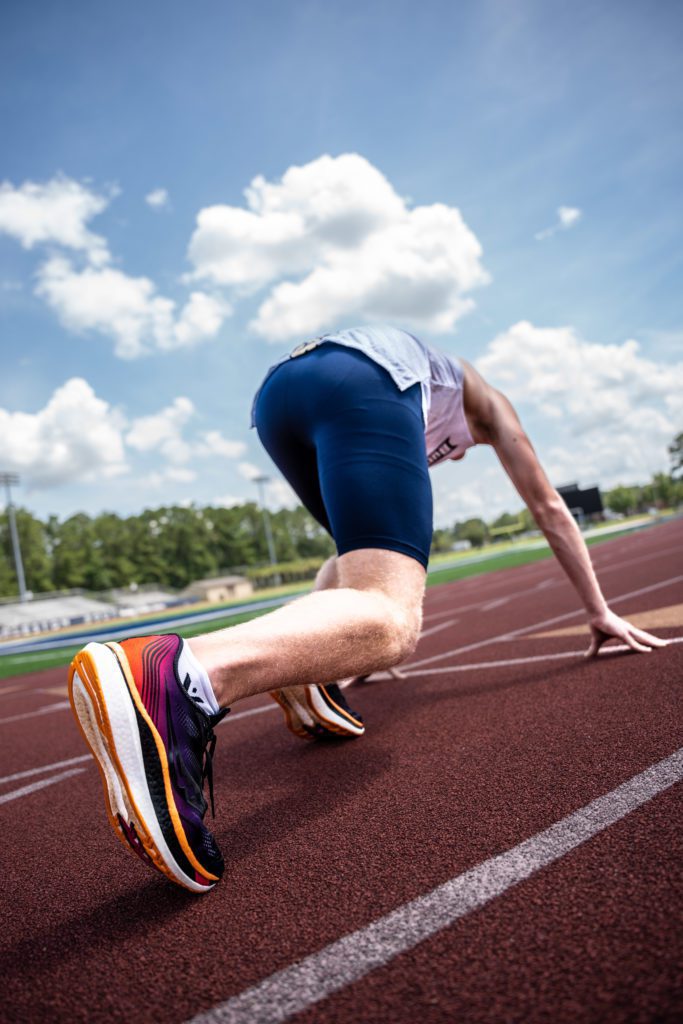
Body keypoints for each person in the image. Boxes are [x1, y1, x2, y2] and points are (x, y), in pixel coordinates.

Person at [68, 324, 667, 894]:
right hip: (367, 378)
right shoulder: (488, 402)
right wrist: (599, 610)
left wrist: (335, 646)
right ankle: (181, 675)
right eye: (453, 450)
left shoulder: (417, 389)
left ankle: (307, 675)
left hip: (279, 398)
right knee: (391, 620)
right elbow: (550, 508)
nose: (454, 457)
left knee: (359, 561)